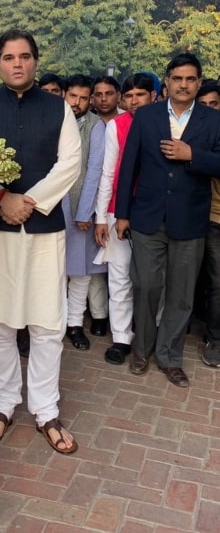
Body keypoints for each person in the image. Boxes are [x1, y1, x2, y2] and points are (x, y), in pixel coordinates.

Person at [0, 28, 81, 453]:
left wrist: (31, 202)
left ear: (35, 61)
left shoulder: (59, 108)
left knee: (47, 323)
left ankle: (46, 409)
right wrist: (1, 198)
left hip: (45, 230)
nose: (17, 63)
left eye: (25, 56)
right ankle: (4, 402)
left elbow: (71, 164)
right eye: (9, 57)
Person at [115, 53, 220, 387]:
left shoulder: (213, 119)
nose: (184, 85)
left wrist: (194, 156)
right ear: (168, 81)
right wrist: (122, 213)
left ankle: (170, 356)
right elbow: (128, 165)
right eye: (178, 78)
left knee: (181, 293)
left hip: (190, 220)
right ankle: (141, 349)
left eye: (191, 79)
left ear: (199, 83)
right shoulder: (145, 117)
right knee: (145, 286)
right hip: (147, 216)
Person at [94, 73, 157, 365]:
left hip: (154, 212)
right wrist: (100, 217)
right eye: (129, 96)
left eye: (140, 95)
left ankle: (151, 332)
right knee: (119, 276)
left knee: (152, 278)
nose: (134, 101)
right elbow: (108, 172)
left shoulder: (164, 123)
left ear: (153, 96)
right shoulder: (117, 126)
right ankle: (121, 337)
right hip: (118, 208)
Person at [63, 75, 107, 350]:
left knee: (80, 272)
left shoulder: (96, 126)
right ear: (64, 95)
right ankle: (48, 323)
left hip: (80, 207)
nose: (77, 103)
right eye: (72, 96)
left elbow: (95, 170)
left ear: (89, 100)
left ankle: (74, 324)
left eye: (83, 98)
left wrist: (84, 211)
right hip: (50, 207)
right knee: (49, 270)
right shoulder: (51, 121)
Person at [195, 81, 220, 366]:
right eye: (203, 106)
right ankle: (214, 337)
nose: (209, 111)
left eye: (214, 104)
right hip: (210, 214)